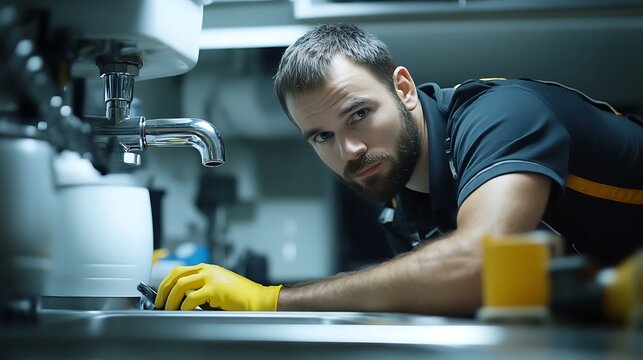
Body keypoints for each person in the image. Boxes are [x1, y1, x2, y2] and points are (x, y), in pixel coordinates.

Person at [155, 24, 643, 316]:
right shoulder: (400, 200)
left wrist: (271, 300)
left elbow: (477, 264)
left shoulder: (502, 115)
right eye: (321, 136)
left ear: (404, 89)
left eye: (359, 114)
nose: (349, 149)